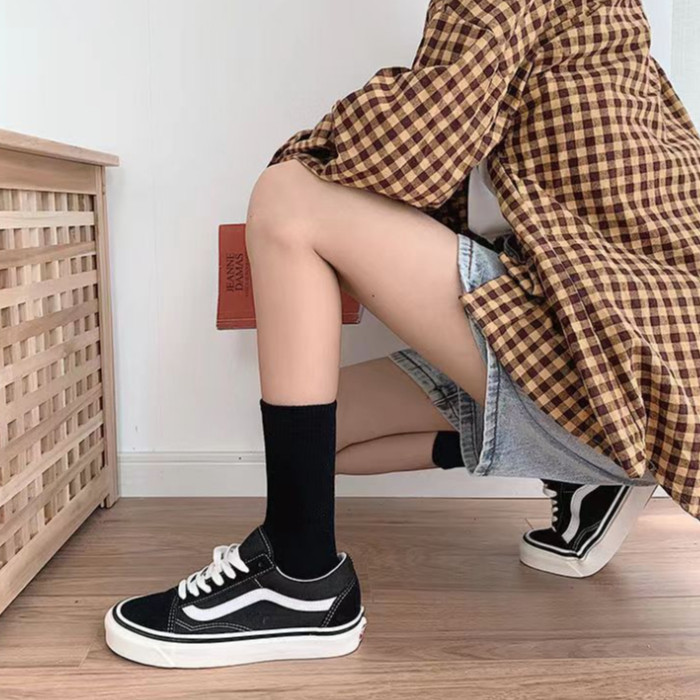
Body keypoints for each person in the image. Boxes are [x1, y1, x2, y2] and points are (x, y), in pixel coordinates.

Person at [104, 0, 700, 668]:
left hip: (612, 349)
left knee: (287, 197)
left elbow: (416, 140)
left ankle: (299, 577)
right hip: (631, 360)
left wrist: (303, 155)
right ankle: (585, 475)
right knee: (316, 445)